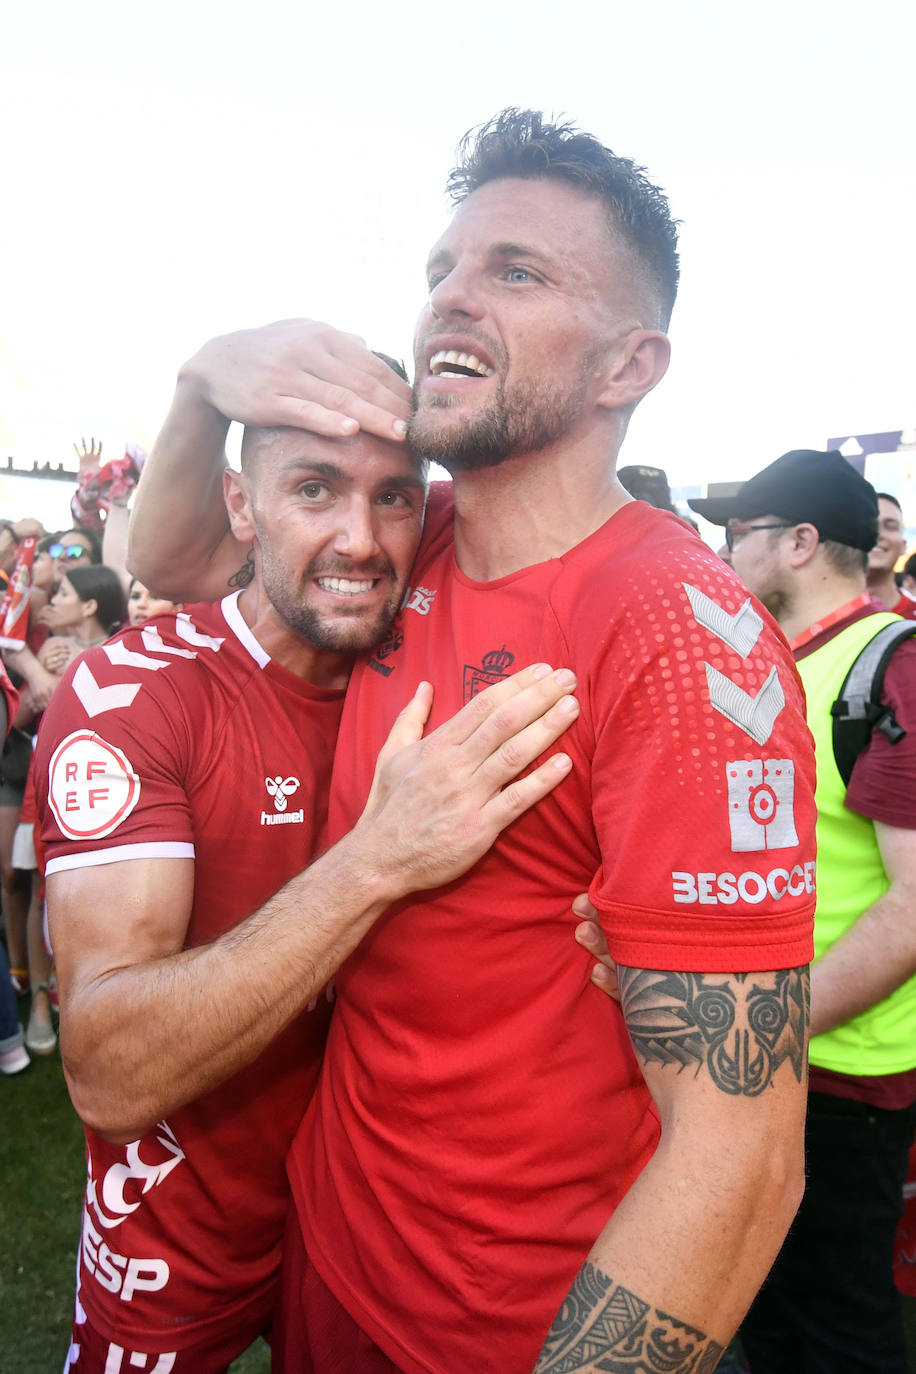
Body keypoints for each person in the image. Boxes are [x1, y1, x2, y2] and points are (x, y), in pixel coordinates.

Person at [130, 109, 817, 1373]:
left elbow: (742, 1157)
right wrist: (200, 380)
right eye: (441, 271)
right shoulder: (414, 531)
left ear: (629, 365)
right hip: (333, 1253)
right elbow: (171, 564)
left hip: (503, 1326)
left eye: (517, 272)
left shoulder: (676, 633)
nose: (449, 301)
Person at [36, 412, 580, 1373]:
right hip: (175, 1227)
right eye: (314, 489)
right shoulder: (137, 691)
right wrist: (377, 861)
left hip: (370, 1224)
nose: (361, 540)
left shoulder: (424, 647)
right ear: (241, 504)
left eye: (395, 497)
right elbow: (109, 1074)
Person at [682, 449, 916, 1373]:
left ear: (802, 543)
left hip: (841, 1076)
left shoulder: (887, 667)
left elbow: (913, 907)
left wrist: (763, 1027)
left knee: (833, 1325)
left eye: (739, 535)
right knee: (771, 1311)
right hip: (777, 1057)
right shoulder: (786, 661)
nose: (723, 552)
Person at [867, 492, 916, 619]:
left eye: (890, 526)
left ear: (903, 545)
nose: (878, 534)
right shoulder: (820, 611)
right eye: (869, 525)